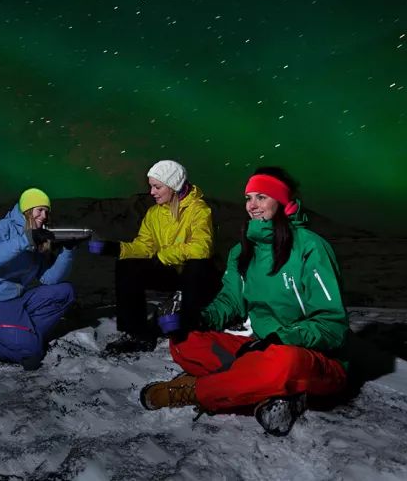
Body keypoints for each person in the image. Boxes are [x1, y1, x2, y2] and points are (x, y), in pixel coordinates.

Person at [139, 166, 349, 436]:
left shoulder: (311, 248)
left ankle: (196, 390)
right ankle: (267, 390)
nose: (252, 206)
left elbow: (332, 325)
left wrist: (280, 338)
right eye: (249, 198)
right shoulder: (242, 251)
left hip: (312, 357)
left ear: (282, 201)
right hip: (260, 349)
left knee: (283, 363)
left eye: (262, 197)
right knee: (184, 341)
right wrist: (198, 319)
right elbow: (230, 301)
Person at [97, 160, 220, 355]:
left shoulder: (199, 210)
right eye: (151, 187)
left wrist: (164, 256)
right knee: (127, 266)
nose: (152, 192)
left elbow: (201, 248)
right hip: (172, 273)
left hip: (198, 278)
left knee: (197, 264)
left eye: (157, 187)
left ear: (173, 186)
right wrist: (118, 249)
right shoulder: (154, 213)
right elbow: (144, 246)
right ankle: (136, 334)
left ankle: (188, 328)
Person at [0, 187, 76, 370]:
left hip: (16, 301)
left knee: (65, 292)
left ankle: (24, 335)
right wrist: (27, 239)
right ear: (27, 210)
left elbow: (49, 279)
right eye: (40, 210)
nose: (44, 216)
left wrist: (68, 251)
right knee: (32, 354)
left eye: (47, 212)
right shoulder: (2, 228)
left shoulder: (39, 236)